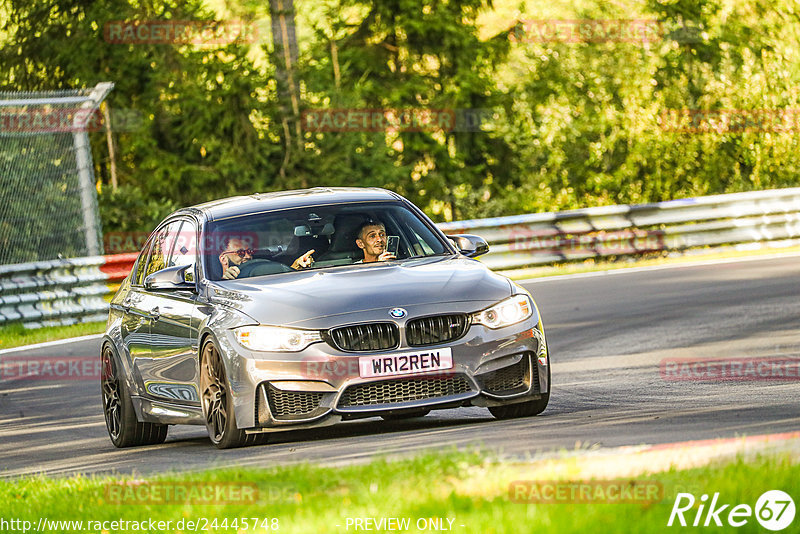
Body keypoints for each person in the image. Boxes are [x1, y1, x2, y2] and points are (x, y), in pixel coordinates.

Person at [219, 237, 315, 280]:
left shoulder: (260, 271)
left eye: (250, 251)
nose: (248, 257)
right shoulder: (213, 282)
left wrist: (296, 267)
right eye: (240, 253)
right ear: (223, 259)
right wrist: (225, 280)